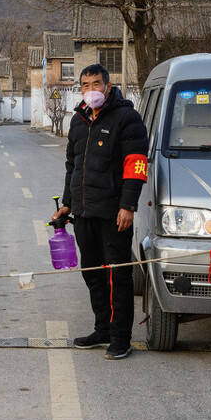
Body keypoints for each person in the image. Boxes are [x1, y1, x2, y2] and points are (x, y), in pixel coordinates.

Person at [50, 64, 149, 360]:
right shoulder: (78, 120)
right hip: (83, 211)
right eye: (85, 84)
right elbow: (73, 165)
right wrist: (68, 202)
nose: (91, 89)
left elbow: (136, 164)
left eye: (96, 83)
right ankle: (102, 329)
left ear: (108, 86)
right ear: (79, 88)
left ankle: (121, 338)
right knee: (92, 273)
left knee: (117, 276)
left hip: (114, 213)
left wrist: (128, 205)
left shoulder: (127, 118)